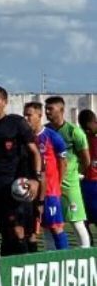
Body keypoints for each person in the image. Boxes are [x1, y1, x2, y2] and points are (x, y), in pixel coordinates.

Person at [0, 86, 40, 256]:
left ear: (4, 102)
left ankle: (21, 270)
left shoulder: (16, 123)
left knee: (15, 231)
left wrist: (35, 178)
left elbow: (34, 152)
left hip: (11, 185)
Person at [45, 96, 91, 248]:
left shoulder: (74, 132)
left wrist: (79, 174)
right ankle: (51, 258)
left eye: (50, 109)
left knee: (77, 223)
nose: (47, 112)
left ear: (62, 110)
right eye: (46, 108)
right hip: (51, 185)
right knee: (50, 224)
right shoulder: (46, 131)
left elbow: (86, 158)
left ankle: (86, 257)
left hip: (70, 185)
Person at [23, 101, 69, 252]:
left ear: (39, 116)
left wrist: (57, 184)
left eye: (29, 115)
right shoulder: (24, 137)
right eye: (25, 115)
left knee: (56, 227)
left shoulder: (52, 137)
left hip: (50, 191)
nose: (26, 118)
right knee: (31, 229)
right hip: (31, 191)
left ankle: (65, 259)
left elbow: (63, 163)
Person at [80, 109, 97, 232]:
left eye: (88, 128)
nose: (86, 131)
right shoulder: (83, 137)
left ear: (94, 122)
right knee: (83, 220)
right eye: (83, 128)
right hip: (86, 183)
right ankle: (89, 247)